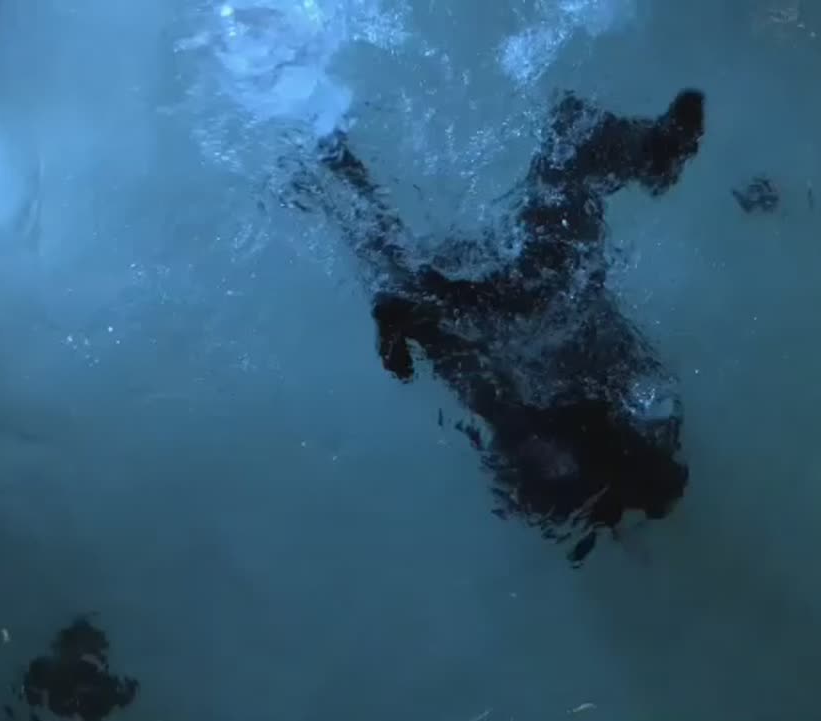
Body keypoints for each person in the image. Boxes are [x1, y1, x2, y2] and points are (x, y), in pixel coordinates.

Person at [285, 88, 706, 565]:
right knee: (568, 148)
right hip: (540, 299)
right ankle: (649, 156)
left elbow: (468, 371)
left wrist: (411, 325)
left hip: (510, 311)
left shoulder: (535, 441)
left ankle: (333, 164)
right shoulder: (641, 406)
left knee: (419, 281)